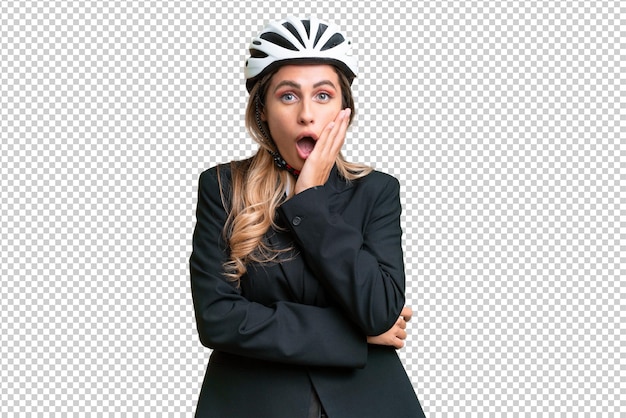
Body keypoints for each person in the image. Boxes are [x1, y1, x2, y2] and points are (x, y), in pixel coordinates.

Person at [190, 16, 426, 418]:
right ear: (262, 111)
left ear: (343, 110)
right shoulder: (222, 187)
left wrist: (311, 202)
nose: (306, 115)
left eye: (322, 95)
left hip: (368, 403)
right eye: (287, 96)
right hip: (252, 404)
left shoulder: (377, 191)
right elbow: (218, 319)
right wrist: (358, 337)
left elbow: (382, 310)